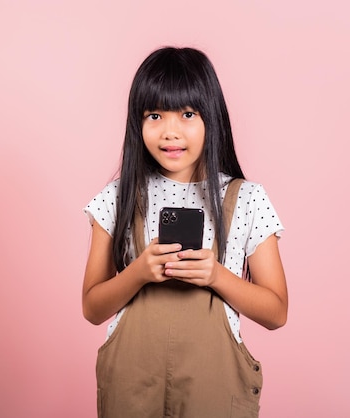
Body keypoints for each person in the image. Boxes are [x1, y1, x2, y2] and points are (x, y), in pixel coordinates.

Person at [82, 46, 288, 418]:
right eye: (155, 115)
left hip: (214, 388)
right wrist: (138, 273)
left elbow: (276, 312)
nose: (170, 131)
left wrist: (216, 276)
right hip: (132, 388)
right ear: (137, 122)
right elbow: (92, 308)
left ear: (212, 118)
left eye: (188, 114)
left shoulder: (247, 200)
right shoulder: (117, 198)